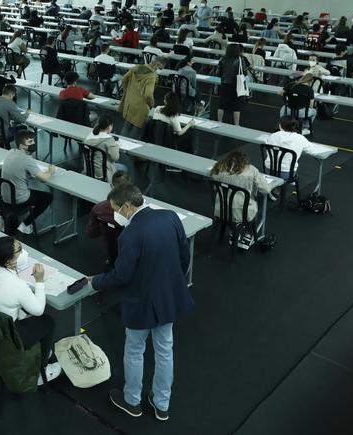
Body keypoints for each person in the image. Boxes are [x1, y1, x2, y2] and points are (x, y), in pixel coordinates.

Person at [90, 183, 192, 421]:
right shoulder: (170, 217)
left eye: (115, 208)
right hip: (167, 297)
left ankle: (132, 400)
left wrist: (96, 282)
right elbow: (184, 254)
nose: (115, 213)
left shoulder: (130, 234)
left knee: (135, 349)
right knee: (165, 350)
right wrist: (172, 281)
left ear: (126, 206)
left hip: (140, 301)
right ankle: (161, 403)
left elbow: (122, 274)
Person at [0, 236, 63, 384]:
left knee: (25, 313)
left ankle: (42, 353)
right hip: (10, 336)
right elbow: (38, 310)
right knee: (47, 322)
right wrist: (39, 281)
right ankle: (41, 370)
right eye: (19, 250)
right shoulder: (17, 286)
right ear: (9, 261)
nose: (23, 251)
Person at [2, 130, 55, 235]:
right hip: (19, 199)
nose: (33, 144)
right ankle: (26, 224)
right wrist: (50, 171)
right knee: (47, 197)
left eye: (33, 141)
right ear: (22, 146)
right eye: (30, 142)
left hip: (4, 197)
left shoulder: (10, 152)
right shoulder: (26, 159)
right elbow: (43, 179)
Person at [209, 150, 273, 228]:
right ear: (244, 161)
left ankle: (233, 231)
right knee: (253, 206)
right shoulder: (251, 170)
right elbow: (266, 189)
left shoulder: (219, 168)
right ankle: (249, 234)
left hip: (220, 211)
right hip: (242, 213)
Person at [119, 55, 161, 138]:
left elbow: (124, 79)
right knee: (137, 132)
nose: (159, 70)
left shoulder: (137, 67)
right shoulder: (151, 76)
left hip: (129, 102)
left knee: (127, 125)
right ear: (156, 65)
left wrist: (127, 91)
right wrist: (151, 104)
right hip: (141, 107)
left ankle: (120, 146)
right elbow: (148, 95)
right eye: (160, 68)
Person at [213, 43, 249, 127]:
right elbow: (245, 72)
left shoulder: (222, 59)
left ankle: (219, 121)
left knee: (221, 104)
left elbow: (218, 73)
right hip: (236, 85)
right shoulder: (240, 59)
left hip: (224, 84)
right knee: (236, 105)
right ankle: (236, 124)